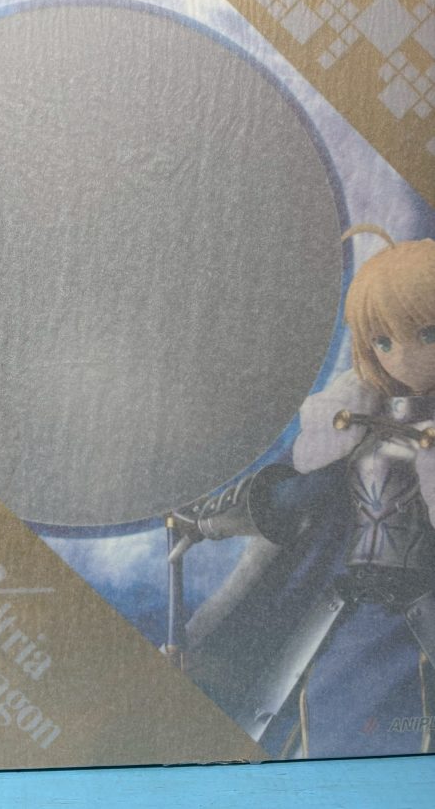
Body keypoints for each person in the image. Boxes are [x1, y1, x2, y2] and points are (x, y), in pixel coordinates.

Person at [174, 225, 435, 758]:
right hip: (353, 609)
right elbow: (297, 493)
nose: (404, 356)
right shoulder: (357, 423)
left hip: (416, 618)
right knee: (320, 720)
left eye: (426, 334)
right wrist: (207, 522)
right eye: (384, 341)